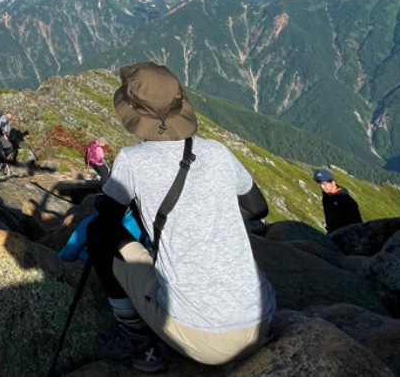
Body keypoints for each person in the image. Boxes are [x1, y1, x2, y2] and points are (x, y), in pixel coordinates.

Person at [59, 62, 274, 372]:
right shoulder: (218, 152)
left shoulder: (133, 160)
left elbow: (107, 220)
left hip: (200, 338)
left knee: (97, 234)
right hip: (263, 323)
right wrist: (207, 219)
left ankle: (138, 345)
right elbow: (258, 208)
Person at [314, 169, 362, 233]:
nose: (322, 187)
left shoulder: (345, 199)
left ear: (333, 182)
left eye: (324, 184)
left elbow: (356, 222)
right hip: (333, 232)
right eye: (319, 183)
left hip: (345, 234)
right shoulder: (327, 194)